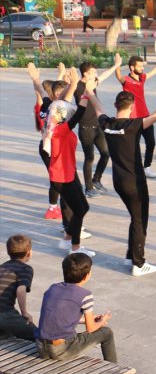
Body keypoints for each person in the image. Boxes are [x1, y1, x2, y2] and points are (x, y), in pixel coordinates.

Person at [90, 83, 156, 277]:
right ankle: (139, 264)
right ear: (131, 107)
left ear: (116, 105)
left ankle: (131, 255)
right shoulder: (133, 125)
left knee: (134, 217)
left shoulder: (107, 124)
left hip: (118, 181)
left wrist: (89, 92)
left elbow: (98, 108)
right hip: (135, 183)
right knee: (140, 220)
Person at [43, 69, 94, 257]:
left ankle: (67, 240)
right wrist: (86, 92)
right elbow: (79, 113)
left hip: (67, 173)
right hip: (61, 176)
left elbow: (63, 104)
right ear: (61, 116)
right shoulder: (60, 130)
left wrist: (72, 85)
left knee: (83, 207)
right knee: (79, 210)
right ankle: (75, 247)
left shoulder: (56, 127)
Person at [35, 253, 116, 363]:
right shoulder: (85, 295)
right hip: (61, 350)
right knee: (107, 333)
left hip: (41, 347)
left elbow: (59, 317)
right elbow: (91, 329)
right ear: (87, 275)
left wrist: (90, 319)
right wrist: (102, 321)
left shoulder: (53, 288)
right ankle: (113, 369)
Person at [74, 54, 123, 198]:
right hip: (85, 128)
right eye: (93, 72)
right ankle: (88, 188)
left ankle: (96, 179)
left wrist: (116, 65)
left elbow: (104, 75)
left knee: (106, 153)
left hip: (98, 126)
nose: (96, 75)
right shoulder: (78, 87)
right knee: (89, 158)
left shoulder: (92, 83)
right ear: (85, 74)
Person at [114, 56, 156, 178]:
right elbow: (118, 76)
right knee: (134, 145)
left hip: (145, 116)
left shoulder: (142, 78)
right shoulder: (126, 80)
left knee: (151, 143)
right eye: (140, 66)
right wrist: (117, 64)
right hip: (132, 119)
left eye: (142, 66)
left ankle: (147, 167)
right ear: (132, 67)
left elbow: (154, 71)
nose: (142, 68)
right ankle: (133, 168)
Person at [27, 62, 67, 221]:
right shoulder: (48, 107)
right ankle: (53, 208)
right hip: (50, 147)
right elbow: (41, 92)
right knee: (57, 178)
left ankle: (54, 207)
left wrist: (36, 79)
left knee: (57, 177)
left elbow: (44, 90)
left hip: (48, 146)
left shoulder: (47, 104)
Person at [0, 235, 37, 340]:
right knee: (38, 336)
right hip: (5, 313)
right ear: (29, 252)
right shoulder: (25, 268)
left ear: (8, 252)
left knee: (7, 333)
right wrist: (24, 313)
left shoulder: (1, 267)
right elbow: (21, 290)